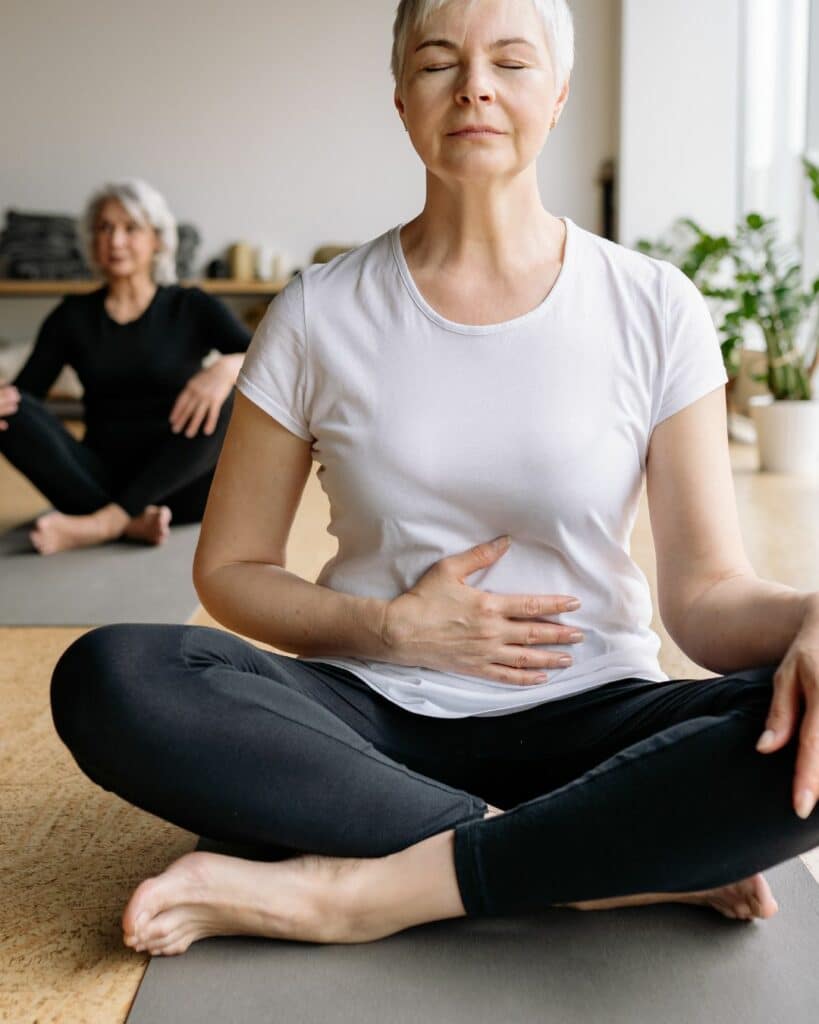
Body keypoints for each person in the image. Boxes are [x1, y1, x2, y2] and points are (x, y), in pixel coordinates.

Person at [50, 0, 819, 959]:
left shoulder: (654, 304)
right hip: (367, 725)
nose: (475, 87)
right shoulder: (317, 311)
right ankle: (589, 869)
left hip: (599, 718)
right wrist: (390, 628)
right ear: (402, 98)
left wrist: (810, 617)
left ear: (559, 91)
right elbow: (231, 569)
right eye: (438, 61)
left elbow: (704, 601)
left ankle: (362, 894)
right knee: (113, 675)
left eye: (511, 61)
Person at [0, 178, 251, 554]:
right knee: (8, 410)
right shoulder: (72, 316)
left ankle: (105, 523)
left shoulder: (191, 306)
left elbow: (267, 359)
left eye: (130, 228)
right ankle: (130, 521)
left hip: (182, 487)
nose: (115, 240)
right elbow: (26, 396)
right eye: (105, 228)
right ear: (92, 241)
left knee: (234, 394)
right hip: (98, 480)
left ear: (157, 240)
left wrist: (225, 368)